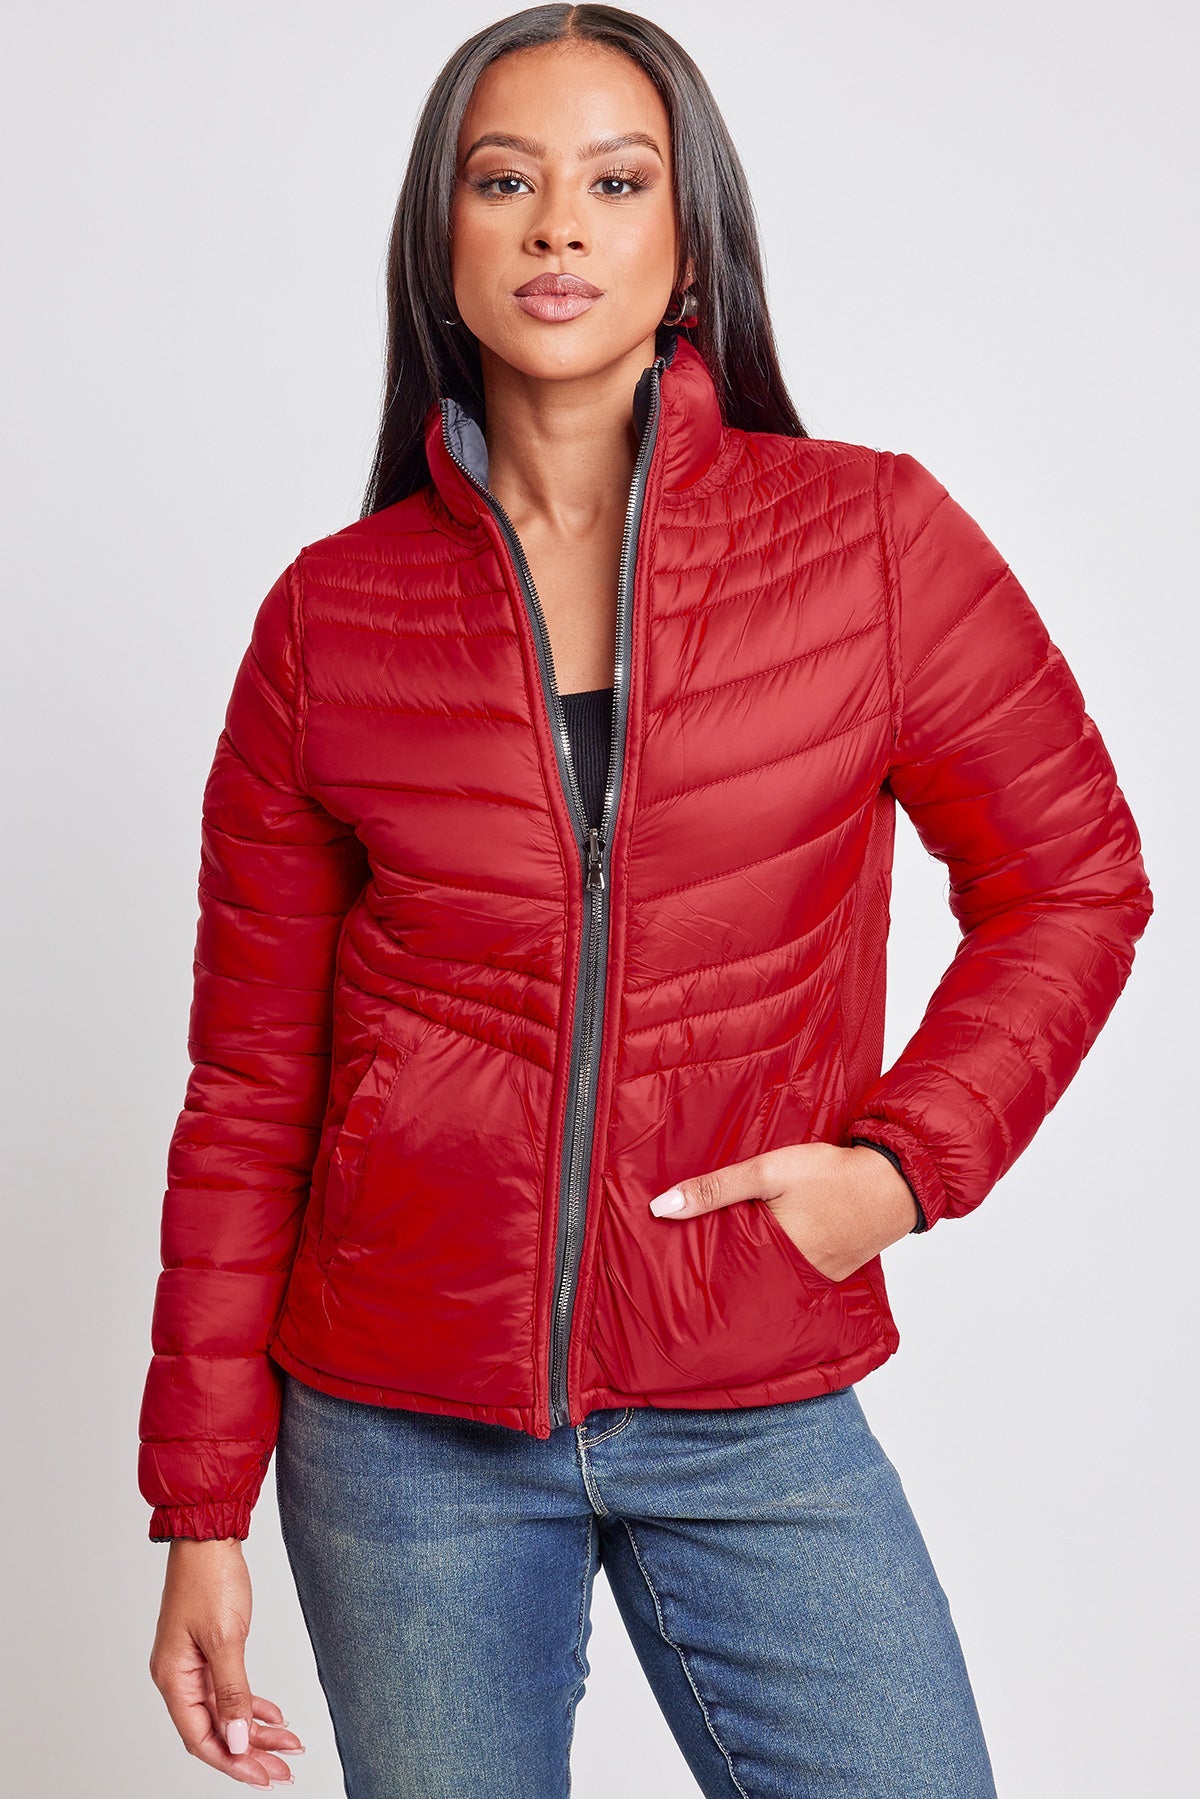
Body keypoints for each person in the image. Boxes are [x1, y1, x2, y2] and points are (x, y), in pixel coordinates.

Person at [140, 7, 1153, 1796]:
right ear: (441, 243)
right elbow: (249, 1089)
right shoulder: (329, 622)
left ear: (691, 250)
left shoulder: (869, 543)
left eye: (617, 183)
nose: (557, 224)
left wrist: (904, 1168)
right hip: (400, 1433)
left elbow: (1074, 882)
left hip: (746, 1384)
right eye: (504, 182)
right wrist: (201, 1506)